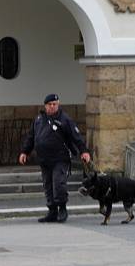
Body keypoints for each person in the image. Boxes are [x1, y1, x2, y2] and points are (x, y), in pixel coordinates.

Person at [19, 94, 91, 223]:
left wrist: (84, 151)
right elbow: (31, 137)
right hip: (44, 159)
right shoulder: (39, 119)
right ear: (45, 105)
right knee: (47, 185)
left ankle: (62, 208)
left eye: (55, 104)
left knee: (59, 183)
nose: (52, 106)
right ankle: (52, 211)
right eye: (50, 104)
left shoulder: (65, 119)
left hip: (60, 158)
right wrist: (25, 151)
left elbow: (76, 136)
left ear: (58, 104)